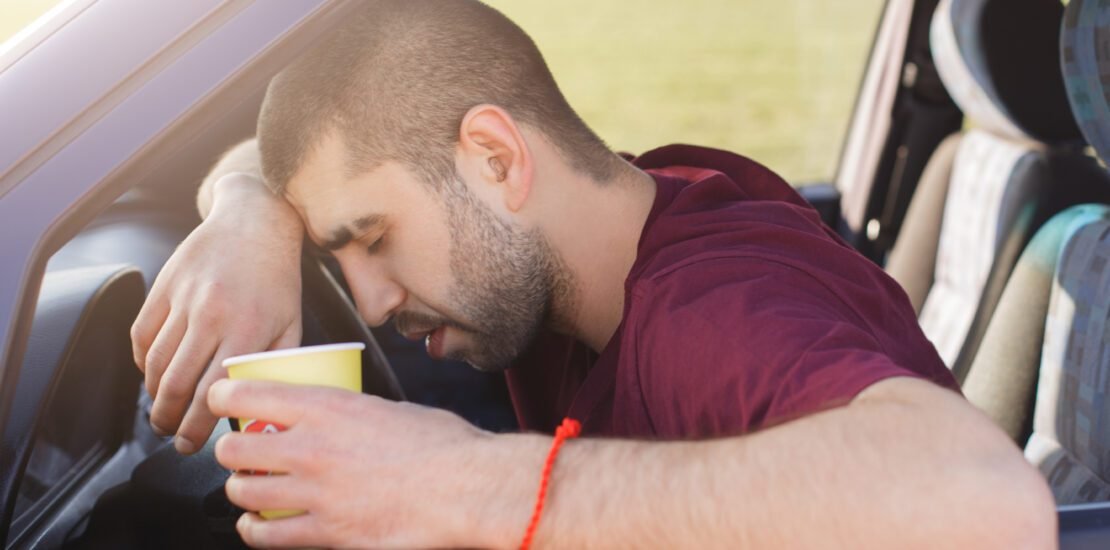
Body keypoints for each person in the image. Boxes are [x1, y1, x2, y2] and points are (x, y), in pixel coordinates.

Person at [130, 1, 1055, 547]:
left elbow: (984, 499)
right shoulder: (641, 198)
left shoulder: (712, 312)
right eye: (336, 249)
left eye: (373, 237)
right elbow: (283, 147)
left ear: (495, 157)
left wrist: (464, 484)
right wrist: (249, 211)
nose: (369, 299)